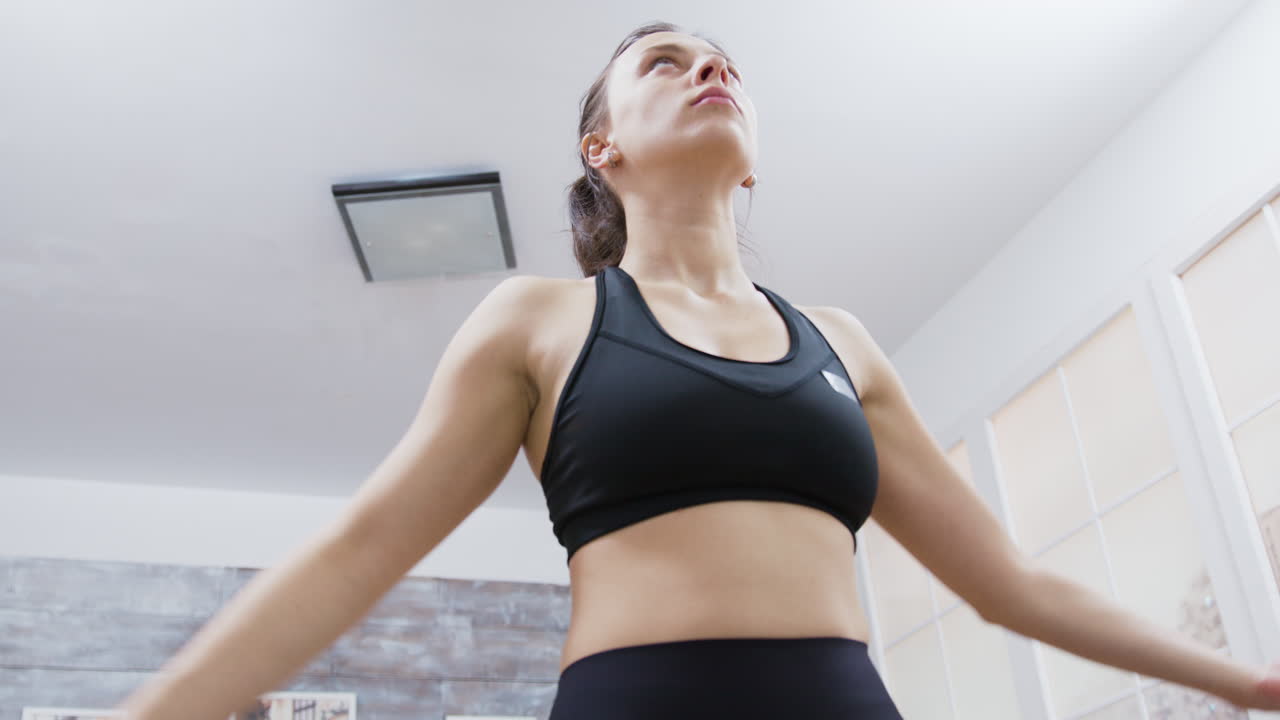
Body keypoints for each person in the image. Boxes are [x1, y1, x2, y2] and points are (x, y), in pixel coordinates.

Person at [118, 21, 1280, 720]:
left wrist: (1246, 684)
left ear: (755, 163)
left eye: (721, 63)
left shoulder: (844, 343)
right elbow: (357, 551)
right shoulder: (536, 322)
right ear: (601, 148)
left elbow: (1009, 586)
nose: (706, 70)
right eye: (664, 65)